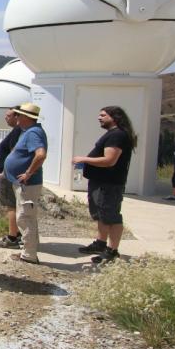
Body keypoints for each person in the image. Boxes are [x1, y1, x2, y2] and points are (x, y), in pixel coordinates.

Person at [74, 106, 136, 264]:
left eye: (103, 115)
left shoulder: (117, 135)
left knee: (112, 217)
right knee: (101, 214)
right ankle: (100, 244)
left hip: (109, 184)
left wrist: (84, 159)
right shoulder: (113, 134)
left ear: (114, 117)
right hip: (100, 182)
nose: (99, 118)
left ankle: (112, 251)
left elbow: (109, 160)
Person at [1, 103, 47, 265]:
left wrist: (28, 172)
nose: (16, 118)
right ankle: (29, 251)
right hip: (22, 183)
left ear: (26, 117)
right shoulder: (28, 132)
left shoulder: (33, 133)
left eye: (18, 115)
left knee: (25, 217)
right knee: (26, 217)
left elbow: (40, 154)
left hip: (27, 184)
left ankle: (29, 255)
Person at [0, 109, 24, 249]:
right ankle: (17, 233)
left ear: (18, 116)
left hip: (10, 174)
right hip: (12, 173)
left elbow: (14, 152)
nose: (6, 118)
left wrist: (6, 170)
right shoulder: (20, 131)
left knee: (11, 205)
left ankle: (12, 237)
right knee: (15, 205)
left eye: (8, 116)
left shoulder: (18, 131)